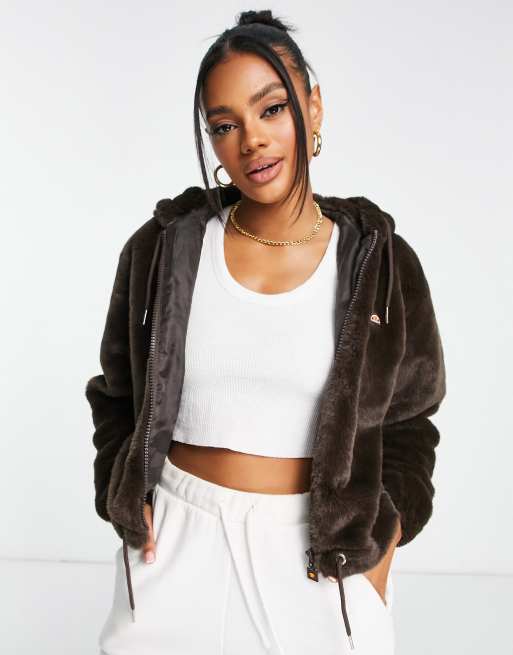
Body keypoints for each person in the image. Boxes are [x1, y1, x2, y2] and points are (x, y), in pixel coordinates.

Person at [85, 9, 447, 655]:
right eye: (224, 125)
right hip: (174, 544)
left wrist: (381, 548)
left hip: (318, 560)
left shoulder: (380, 263)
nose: (250, 140)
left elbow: (409, 421)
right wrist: (124, 495)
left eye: (271, 108)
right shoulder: (163, 249)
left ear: (313, 106)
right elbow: (116, 394)